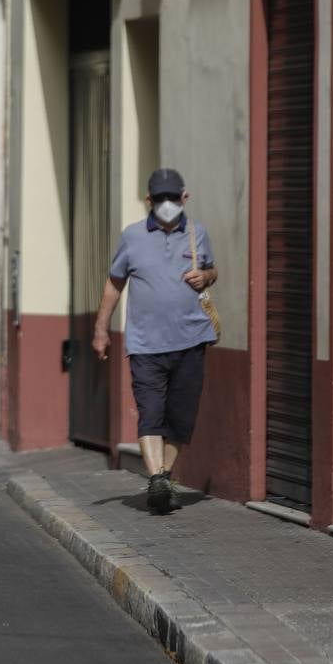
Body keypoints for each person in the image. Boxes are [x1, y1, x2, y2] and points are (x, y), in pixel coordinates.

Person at [92, 168, 218, 514]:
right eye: (159, 199)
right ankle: (158, 479)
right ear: (149, 200)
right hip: (146, 343)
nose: (166, 205)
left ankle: (161, 478)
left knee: (180, 418)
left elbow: (213, 271)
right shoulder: (132, 237)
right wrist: (101, 329)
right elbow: (114, 283)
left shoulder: (197, 234)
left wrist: (205, 275)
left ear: (184, 198)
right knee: (151, 412)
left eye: (172, 198)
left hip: (191, 339)